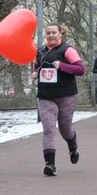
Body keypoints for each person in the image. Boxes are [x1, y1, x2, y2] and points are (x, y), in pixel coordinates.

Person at [36, 23, 85, 174]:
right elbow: (38, 67)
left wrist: (63, 66)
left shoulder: (67, 50)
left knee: (65, 129)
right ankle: (50, 165)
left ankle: (73, 145)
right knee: (49, 129)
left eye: (54, 33)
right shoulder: (40, 51)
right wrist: (35, 73)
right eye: (48, 33)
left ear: (60, 34)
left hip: (66, 96)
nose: (50, 35)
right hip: (45, 96)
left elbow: (80, 69)